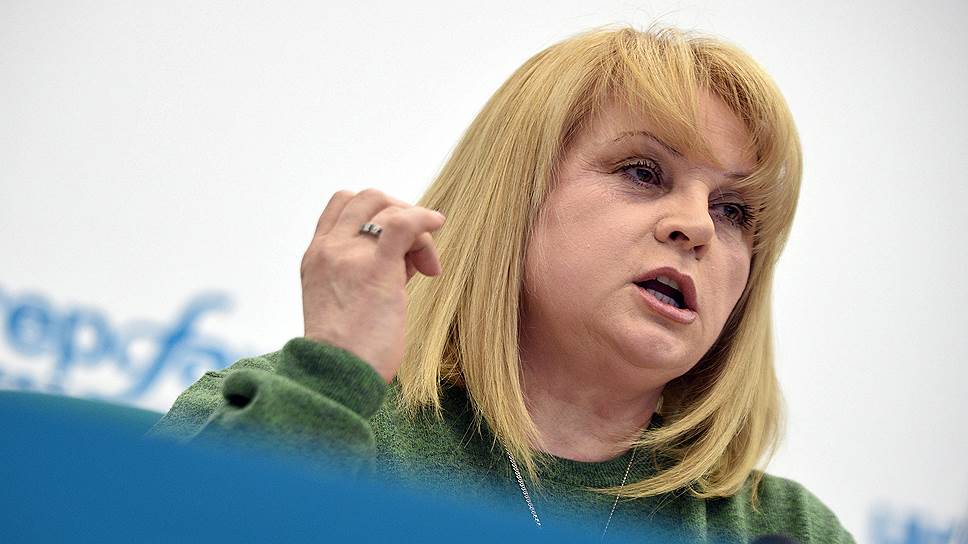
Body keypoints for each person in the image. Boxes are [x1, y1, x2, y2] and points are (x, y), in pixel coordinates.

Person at [150, 26, 854, 542]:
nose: (696, 226)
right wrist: (329, 384)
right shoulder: (297, 415)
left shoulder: (782, 531)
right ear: (515, 196)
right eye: (644, 172)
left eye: (734, 211)